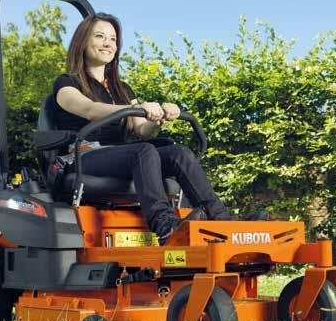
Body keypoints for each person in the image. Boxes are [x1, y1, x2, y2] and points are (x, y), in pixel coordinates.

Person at [51, 13, 231, 243]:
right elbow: (89, 110)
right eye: (100, 36)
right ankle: (165, 225)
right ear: (83, 41)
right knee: (143, 151)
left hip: (121, 157)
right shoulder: (67, 83)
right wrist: (134, 108)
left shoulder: (121, 89)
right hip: (84, 156)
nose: (108, 43)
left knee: (179, 153)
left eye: (113, 39)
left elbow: (142, 130)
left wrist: (157, 118)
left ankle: (222, 222)